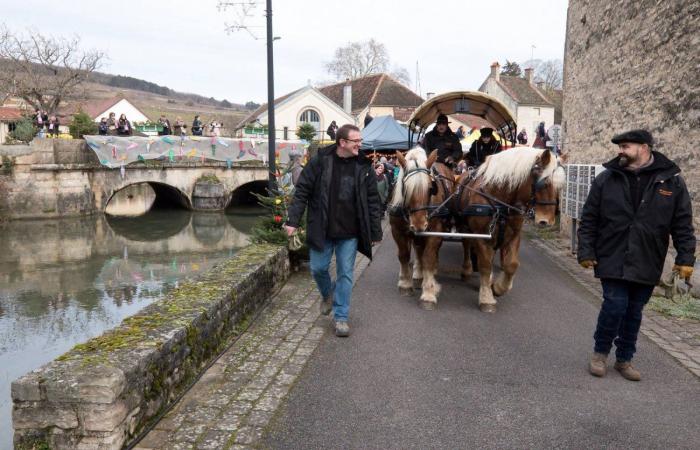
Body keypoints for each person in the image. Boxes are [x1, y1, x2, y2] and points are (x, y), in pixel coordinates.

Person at [578, 129, 695, 381]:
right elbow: (589, 218)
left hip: (648, 256)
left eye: (625, 146)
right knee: (615, 304)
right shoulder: (607, 179)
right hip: (612, 253)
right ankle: (600, 354)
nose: (620, 150)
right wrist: (586, 249)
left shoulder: (671, 181)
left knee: (634, 310)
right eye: (619, 146)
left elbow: (683, 223)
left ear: (644, 148)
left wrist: (685, 259)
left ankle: (624, 358)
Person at [284, 124, 382, 337]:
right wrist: (292, 220)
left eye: (360, 141)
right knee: (318, 269)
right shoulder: (321, 161)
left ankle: (341, 318)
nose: (360, 144)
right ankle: (328, 294)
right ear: (342, 143)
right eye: (356, 141)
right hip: (322, 227)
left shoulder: (364, 166)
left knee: (346, 273)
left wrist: (375, 232)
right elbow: (302, 191)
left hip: (350, 232)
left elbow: (373, 200)